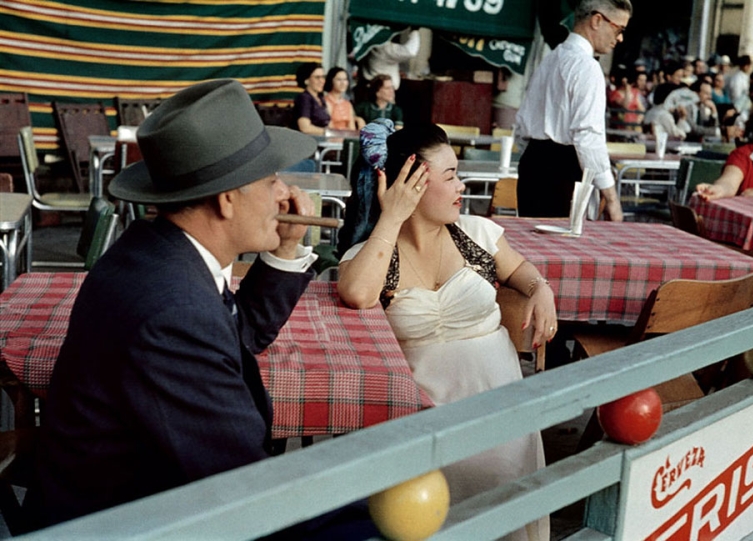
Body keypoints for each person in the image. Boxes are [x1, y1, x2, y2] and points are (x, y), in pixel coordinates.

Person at [22, 79, 379, 540]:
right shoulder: (171, 311)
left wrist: (285, 249)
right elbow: (243, 491)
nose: (283, 192)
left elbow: (237, 332)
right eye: (270, 179)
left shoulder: (158, 249)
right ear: (227, 198)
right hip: (129, 522)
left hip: (152, 491)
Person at [337, 120, 555, 541]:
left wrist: (540, 288)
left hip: (498, 401)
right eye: (451, 175)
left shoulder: (477, 232)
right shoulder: (374, 253)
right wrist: (393, 215)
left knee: (502, 511)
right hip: (423, 414)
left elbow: (522, 271)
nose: (462, 186)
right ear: (412, 183)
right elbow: (359, 293)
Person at [514, 0, 631, 220]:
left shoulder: (551, 58)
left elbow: (521, 125)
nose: (620, 38)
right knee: (566, 252)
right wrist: (612, 200)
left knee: (533, 248)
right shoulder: (588, 67)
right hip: (563, 169)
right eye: (619, 29)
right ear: (597, 20)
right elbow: (588, 137)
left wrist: (534, 156)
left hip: (532, 163)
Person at [293, 62, 330, 135]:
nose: (322, 81)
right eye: (317, 77)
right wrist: (327, 132)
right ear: (306, 80)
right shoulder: (304, 98)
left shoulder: (320, 98)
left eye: (323, 77)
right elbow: (305, 128)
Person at [324, 67, 361, 131]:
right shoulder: (325, 101)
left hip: (347, 138)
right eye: (339, 79)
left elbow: (352, 128)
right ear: (331, 81)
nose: (343, 83)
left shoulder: (347, 104)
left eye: (345, 79)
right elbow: (329, 127)